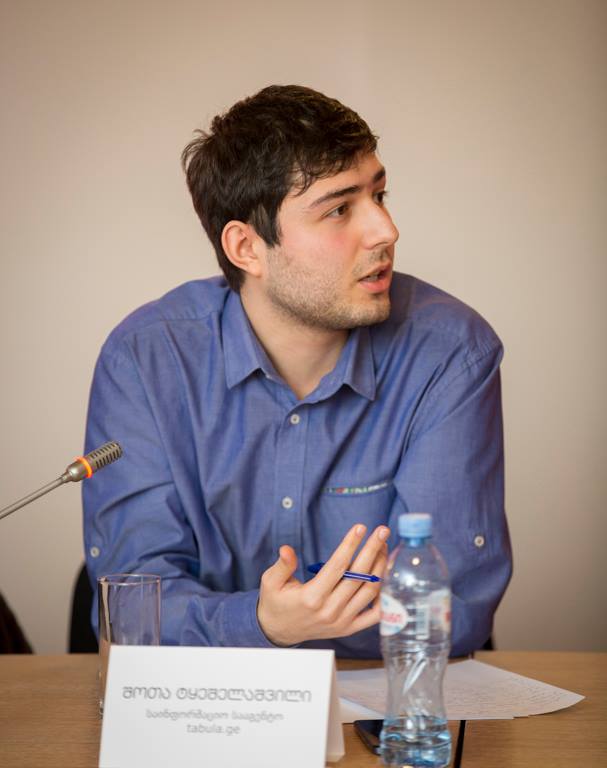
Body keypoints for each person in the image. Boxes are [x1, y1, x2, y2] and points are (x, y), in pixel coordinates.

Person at [83, 85, 511, 657]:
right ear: (246, 248)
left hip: (386, 700)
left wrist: (253, 626)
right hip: (203, 705)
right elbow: (134, 608)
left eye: (379, 195)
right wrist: (263, 623)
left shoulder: (451, 354)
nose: (386, 231)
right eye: (339, 209)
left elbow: (449, 604)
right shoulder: (145, 360)